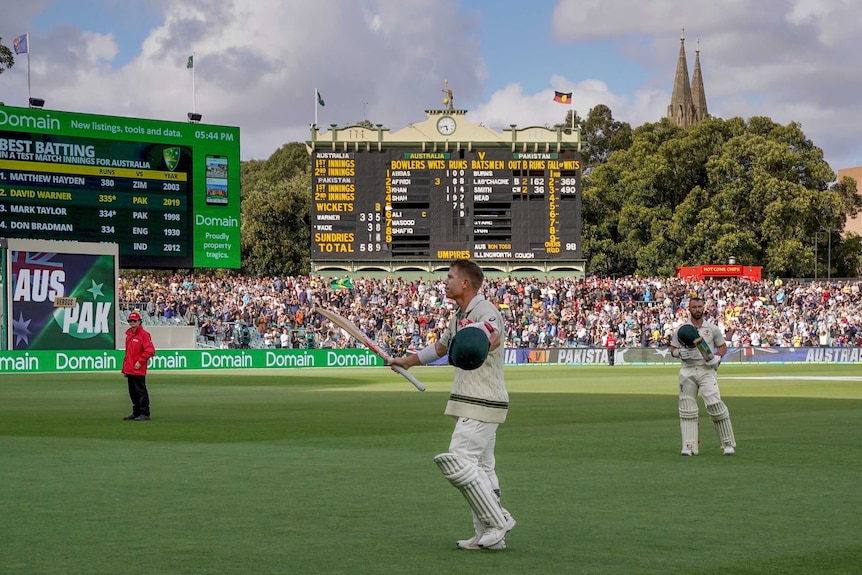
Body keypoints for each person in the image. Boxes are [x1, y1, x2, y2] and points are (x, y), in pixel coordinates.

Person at [387, 259, 514, 550]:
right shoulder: (459, 315)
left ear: (465, 283)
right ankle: (487, 536)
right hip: (474, 401)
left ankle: (498, 520)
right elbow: (442, 347)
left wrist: (481, 337)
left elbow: (490, 335)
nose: (445, 282)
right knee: (482, 466)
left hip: (482, 400)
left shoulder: (485, 311)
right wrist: (405, 361)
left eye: (450, 277)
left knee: (457, 461)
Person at [669, 297, 736, 456]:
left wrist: (718, 357)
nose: (697, 309)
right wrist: (679, 353)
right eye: (694, 307)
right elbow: (672, 349)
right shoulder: (682, 329)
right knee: (687, 408)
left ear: (703, 308)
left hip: (706, 370)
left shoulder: (712, 328)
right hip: (687, 370)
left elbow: (722, 346)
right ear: (689, 309)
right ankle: (688, 446)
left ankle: (727, 443)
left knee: (715, 405)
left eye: (700, 306)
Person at [122, 311, 156, 421]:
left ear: (139, 322)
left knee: (140, 391)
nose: (132, 323)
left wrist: (139, 362)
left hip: (138, 369)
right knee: (132, 392)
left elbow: (150, 351)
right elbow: (128, 354)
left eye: (134, 321)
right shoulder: (128, 335)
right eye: (130, 321)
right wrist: (125, 369)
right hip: (130, 369)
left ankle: (145, 413)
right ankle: (136, 412)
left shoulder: (144, 335)